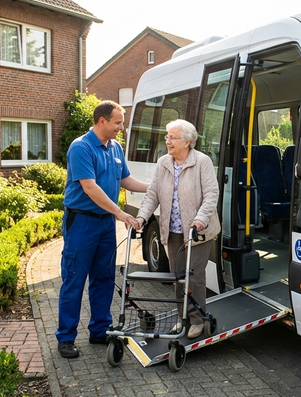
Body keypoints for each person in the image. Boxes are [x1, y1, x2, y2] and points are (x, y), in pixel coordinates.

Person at [56, 101, 149, 359]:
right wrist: (120, 213)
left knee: (104, 278)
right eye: (118, 123)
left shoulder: (115, 147)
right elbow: (90, 188)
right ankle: (66, 337)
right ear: (102, 121)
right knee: (74, 279)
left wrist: (154, 187)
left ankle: (99, 330)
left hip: (105, 225)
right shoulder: (81, 147)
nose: (121, 128)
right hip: (81, 223)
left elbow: (125, 179)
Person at [136, 119, 220, 339]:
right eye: (167, 136)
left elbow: (212, 194)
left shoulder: (202, 161)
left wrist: (200, 219)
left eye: (172, 137)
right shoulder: (163, 162)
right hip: (172, 231)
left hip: (197, 232)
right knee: (178, 277)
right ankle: (182, 318)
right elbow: (153, 194)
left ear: (187, 142)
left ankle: (197, 320)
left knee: (194, 277)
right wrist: (141, 217)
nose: (168, 141)